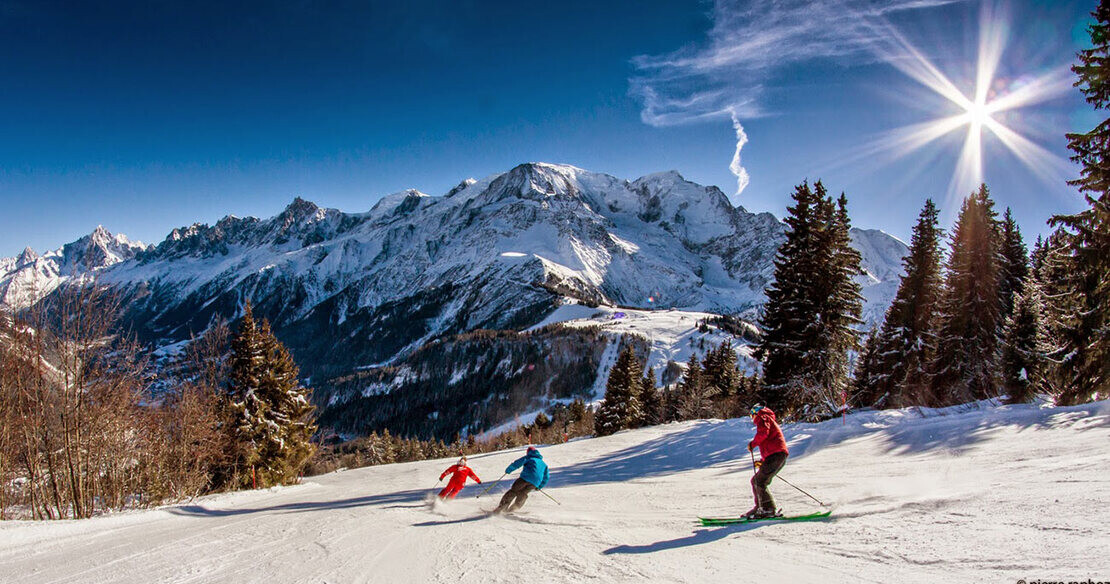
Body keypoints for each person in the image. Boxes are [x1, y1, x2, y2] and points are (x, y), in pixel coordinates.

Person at [745, 404, 789, 519]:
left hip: (776, 455)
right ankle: (762, 507)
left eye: (752, 416)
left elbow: (763, 433)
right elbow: (768, 445)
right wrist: (763, 462)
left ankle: (766, 509)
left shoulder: (762, 417)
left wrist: (752, 444)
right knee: (757, 481)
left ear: (755, 413)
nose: (753, 419)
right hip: (776, 455)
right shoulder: (767, 418)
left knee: (758, 481)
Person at [494, 446, 549, 513]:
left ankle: (501, 508)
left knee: (513, 491)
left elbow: (517, 463)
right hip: (535, 483)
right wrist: (540, 486)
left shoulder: (529, 458)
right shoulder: (544, 464)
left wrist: (509, 470)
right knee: (523, 493)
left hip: (525, 478)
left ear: (528, 452)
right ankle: (513, 509)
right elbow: (546, 477)